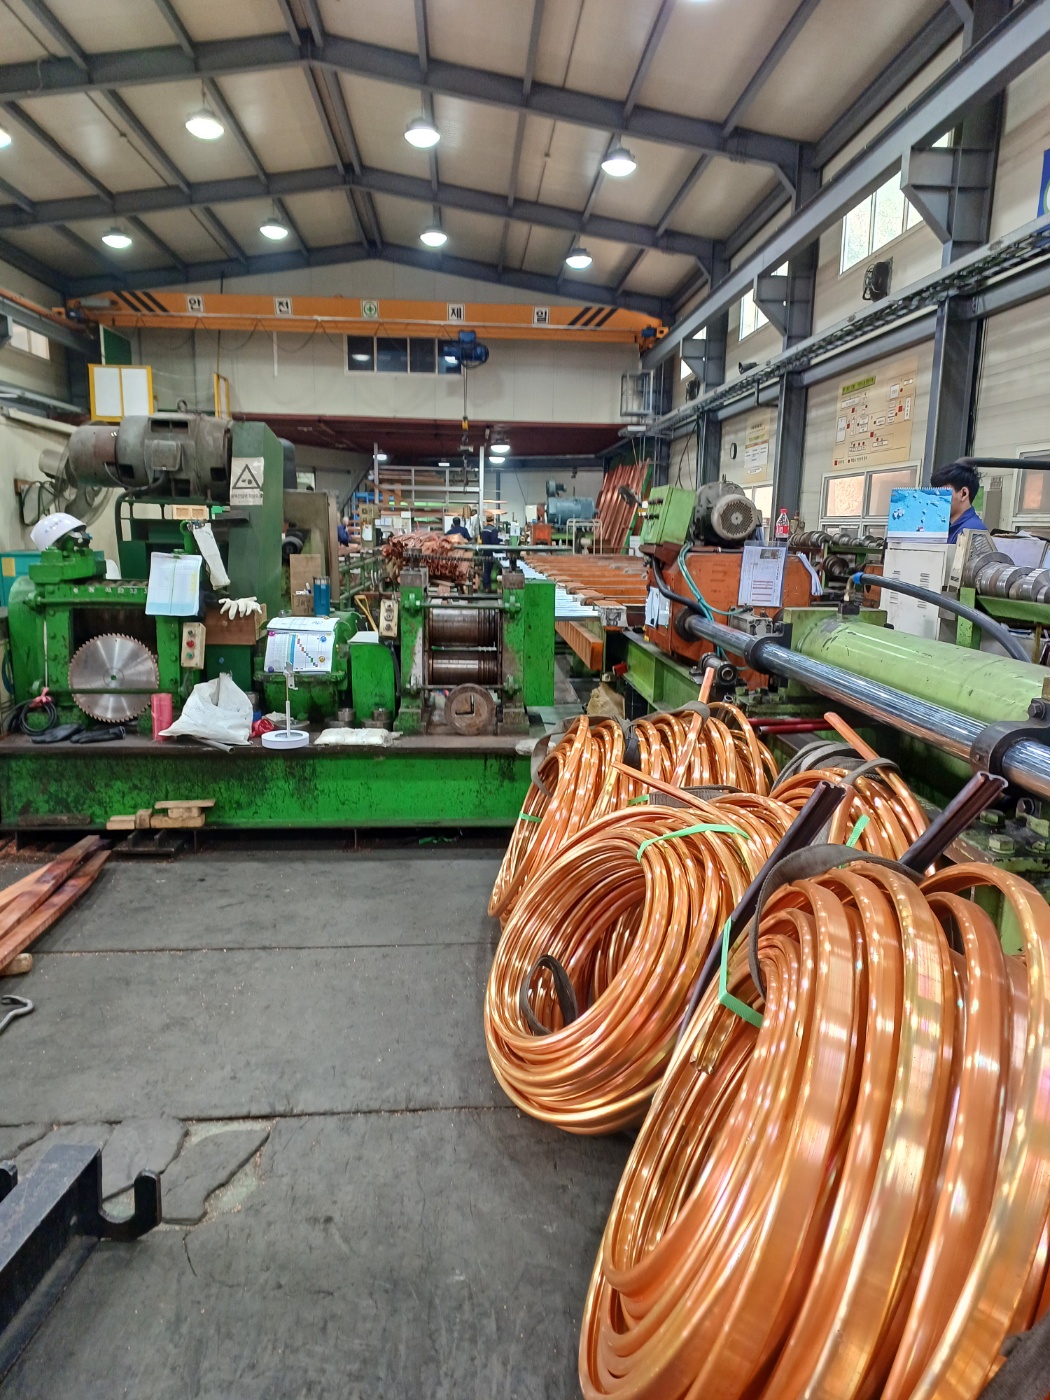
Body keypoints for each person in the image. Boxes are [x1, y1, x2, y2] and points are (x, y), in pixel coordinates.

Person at [930, 460, 987, 544]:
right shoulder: (947, 527)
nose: (936, 499)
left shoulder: (973, 532)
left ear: (964, 494)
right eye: (935, 493)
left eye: (943, 493)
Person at [479, 512, 500, 590]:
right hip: (491, 553)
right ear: (493, 519)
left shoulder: (483, 530)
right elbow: (495, 542)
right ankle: (491, 587)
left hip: (485, 552)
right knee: (490, 570)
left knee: (486, 570)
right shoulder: (493, 530)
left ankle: (486, 587)